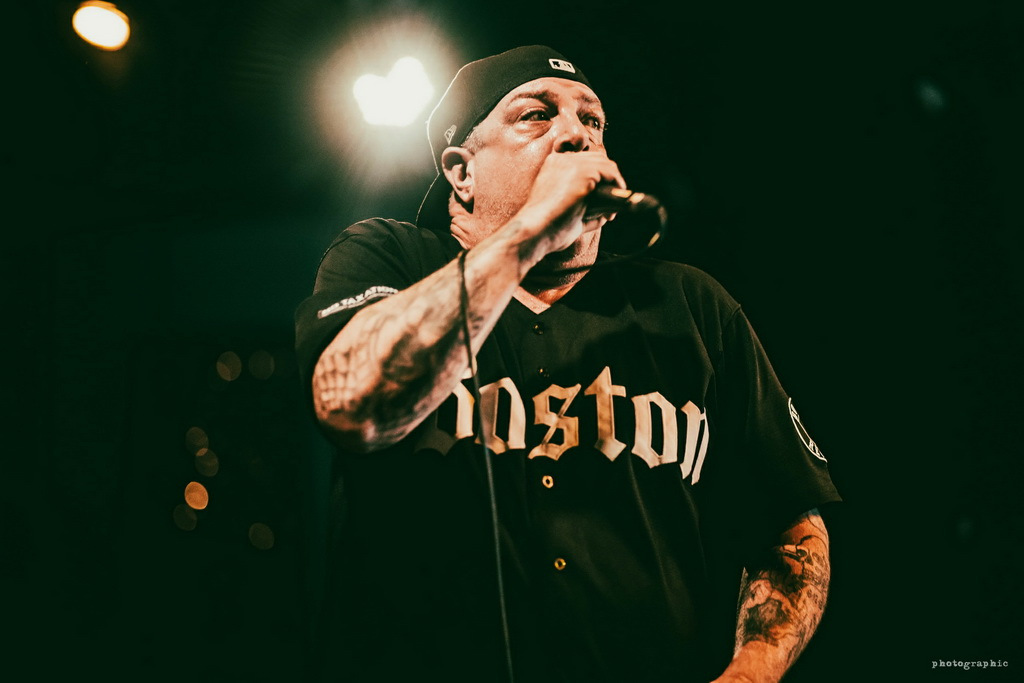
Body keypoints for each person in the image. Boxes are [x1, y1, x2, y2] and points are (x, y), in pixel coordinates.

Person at [294, 44, 842, 683]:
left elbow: (789, 527)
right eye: (535, 115)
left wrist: (750, 674)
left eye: (592, 121)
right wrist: (528, 233)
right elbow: (352, 403)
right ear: (461, 173)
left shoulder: (688, 304)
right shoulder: (388, 257)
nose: (576, 134)